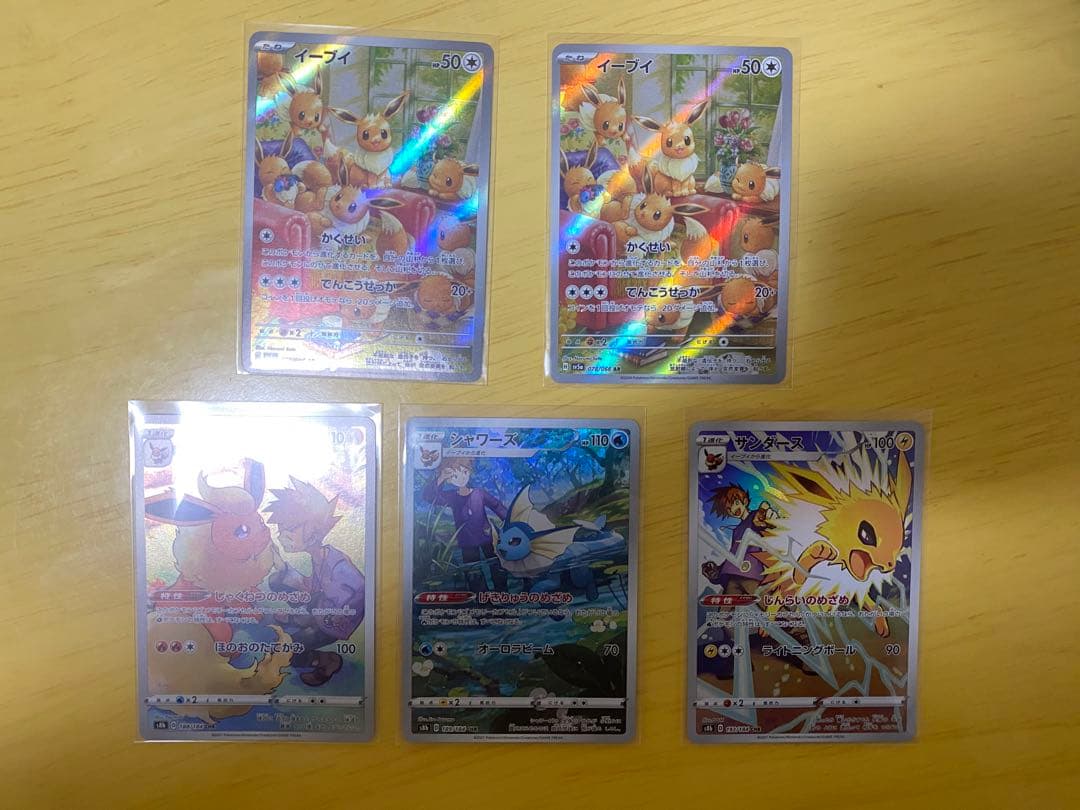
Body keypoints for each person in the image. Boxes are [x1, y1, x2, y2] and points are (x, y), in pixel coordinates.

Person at [266, 477, 365, 687]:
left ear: (312, 531)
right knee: (277, 579)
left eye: (289, 529)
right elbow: (313, 588)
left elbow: (351, 596)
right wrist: (281, 565)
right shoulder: (319, 556)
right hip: (323, 607)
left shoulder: (338, 565)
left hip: (335, 622)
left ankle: (327, 661)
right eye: (281, 530)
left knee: (290, 652)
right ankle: (302, 619)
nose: (282, 536)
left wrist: (302, 618)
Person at [422, 457, 508, 591]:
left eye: (464, 472)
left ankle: (502, 593)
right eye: (455, 476)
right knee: (473, 572)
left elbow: (497, 506)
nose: (461, 478)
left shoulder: (479, 493)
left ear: (469, 471)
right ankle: (481, 599)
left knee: (497, 566)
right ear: (450, 480)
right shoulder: (452, 497)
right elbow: (429, 497)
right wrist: (441, 478)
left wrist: (509, 521)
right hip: (467, 541)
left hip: (487, 537)